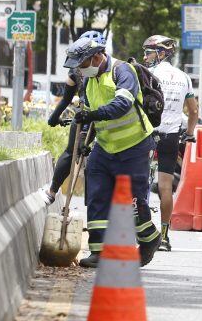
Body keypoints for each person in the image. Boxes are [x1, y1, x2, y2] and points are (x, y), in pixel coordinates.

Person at [64, 33, 161, 269]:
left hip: (135, 147)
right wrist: (86, 137)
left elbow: (121, 105)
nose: (80, 70)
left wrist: (93, 115)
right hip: (105, 148)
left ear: (97, 57)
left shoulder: (123, 72)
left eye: (82, 64)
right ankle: (98, 251)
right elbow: (90, 112)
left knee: (134, 202)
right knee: (96, 196)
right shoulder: (89, 81)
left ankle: (149, 239)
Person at [140, 35, 198, 252]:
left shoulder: (148, 74)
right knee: (165, 188)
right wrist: (190, 133)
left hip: (146, 134)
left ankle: (143, 233)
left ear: (162, 53)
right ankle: (164, 237)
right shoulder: (184, 77)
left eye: (149, 52)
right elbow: (193, 111)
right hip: (170, 136)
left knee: (140, 183)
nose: (145, 56)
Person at [41, 30, 105, 206]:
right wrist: (54, 118)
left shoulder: (75, 70)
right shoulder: (108, 66)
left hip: (89, 117)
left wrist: (54, 118)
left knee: (71, 152)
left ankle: (51, 191)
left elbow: (66, 99)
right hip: (100, 116)